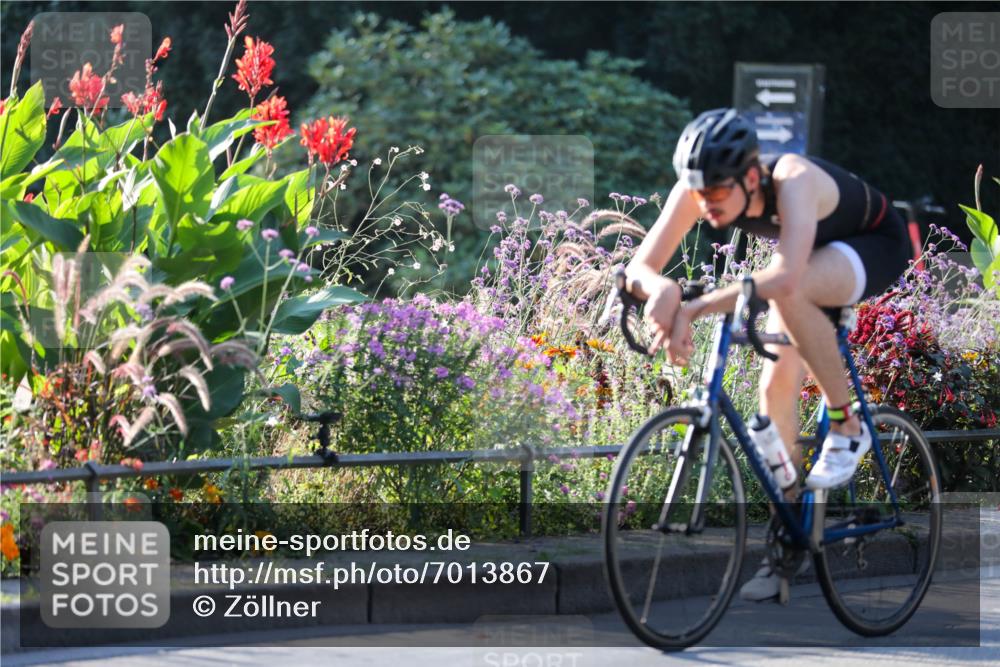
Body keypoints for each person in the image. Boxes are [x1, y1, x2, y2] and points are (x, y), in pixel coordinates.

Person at [623, 108, 913, 601]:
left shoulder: (792, 179)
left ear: (751, 177)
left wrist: (692, 308)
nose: (706, 204)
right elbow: (638, 268)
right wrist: (662, 290)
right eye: (698, 192)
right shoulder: (699, 190)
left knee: (790, 292)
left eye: (717, 192)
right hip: (807, 261)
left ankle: (847, 423)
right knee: (772, 386)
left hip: (871, 245)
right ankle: (789, 534)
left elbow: (784, 279)